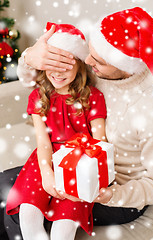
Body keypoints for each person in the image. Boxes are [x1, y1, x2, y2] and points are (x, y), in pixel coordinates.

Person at [1, 6, 153, 240]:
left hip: (116, 191)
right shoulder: (96, 69)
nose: (88, 60)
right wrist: (30, 57)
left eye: (98, 60)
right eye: (90, 51)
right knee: (4, 187)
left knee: (16, 210)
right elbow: (42, 83)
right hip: (69, 161)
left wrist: (110, 194)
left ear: (123, 65)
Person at [5, 22, 108, 240]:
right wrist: (47, 174)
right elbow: (43, 143)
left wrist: (86, 176)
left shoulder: (93, 97)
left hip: (80, 162)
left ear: (80, 65)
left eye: (66, 65)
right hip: (44, 160)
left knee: (64, 227)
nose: (57, 73)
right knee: (28, 215)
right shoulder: (37, 97)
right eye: (53, 64)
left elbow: (100, 141)